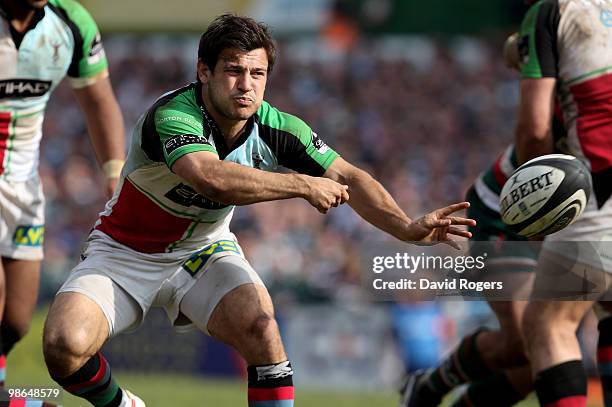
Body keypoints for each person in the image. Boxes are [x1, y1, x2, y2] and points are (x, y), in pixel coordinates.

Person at [41, 14, 476, 407]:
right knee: (63, 347)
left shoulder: (278, 127)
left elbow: (349, 176)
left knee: (263, 330)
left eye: (257, 73)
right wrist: (301, 184)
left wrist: (406, 227)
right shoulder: (173, 115)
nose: (246, 84)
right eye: (233, 70)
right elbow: (210, 177)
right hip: (125, 252)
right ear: (204, 72)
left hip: (203, 253)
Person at [398, 31, 571, 407]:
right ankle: (431, 384)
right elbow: (534, 133)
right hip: (506, 214)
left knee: (532, 365)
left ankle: (432, 385)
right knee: (531, 342)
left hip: (570, 225)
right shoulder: (585, 69)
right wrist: (527, 49)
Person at [0, 0, 124, 394]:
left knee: (16, 319)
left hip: (23, 189)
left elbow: (98, 100)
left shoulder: (71, 22)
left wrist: (112, 172)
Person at [513, 0, 612, 406]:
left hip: (602, 181)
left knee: (548, 325)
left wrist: (538, 216)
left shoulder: (551, 11)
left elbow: (535, 129)